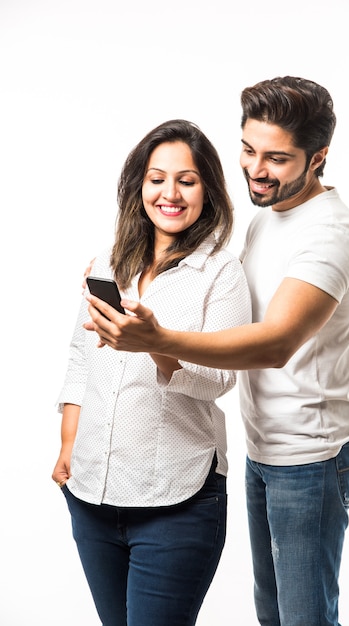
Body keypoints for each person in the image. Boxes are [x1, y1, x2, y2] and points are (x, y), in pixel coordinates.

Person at [84, 76, 349, 626]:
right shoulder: (270, 213)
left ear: (319, 159)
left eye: (277, 158)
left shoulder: (330, 234)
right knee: (273, 614)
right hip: (265, 446)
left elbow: (277, 341)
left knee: (304, 617)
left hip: (313, 454)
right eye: (248, 149)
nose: (256, 169)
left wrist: (158, 340)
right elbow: (224, 303)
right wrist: (128, 275)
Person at [52, 119, 252, 626]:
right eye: (157, 178)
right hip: (92, 494)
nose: (170, 193)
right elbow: (81, 358)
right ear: (138, 184)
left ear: (208, 188)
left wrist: (157, 346)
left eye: (187, 180)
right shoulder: (107, 262)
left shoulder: (221, 272)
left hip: (177, 501)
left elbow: (220, 380)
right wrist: (68, 447)